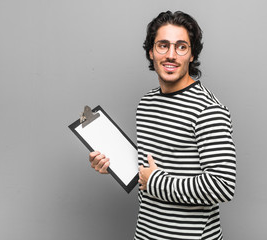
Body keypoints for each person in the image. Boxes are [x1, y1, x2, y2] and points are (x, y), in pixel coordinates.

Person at [89, 11, 236, 240]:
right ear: (150, 52)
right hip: (146, 234)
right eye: (163, 45)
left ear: (192, 54)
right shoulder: (146, 103)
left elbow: (223, 185)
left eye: (181, 47)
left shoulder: (207, 109)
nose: (171, 55)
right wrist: (112, 165)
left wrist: (156, 181)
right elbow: (149, 168)